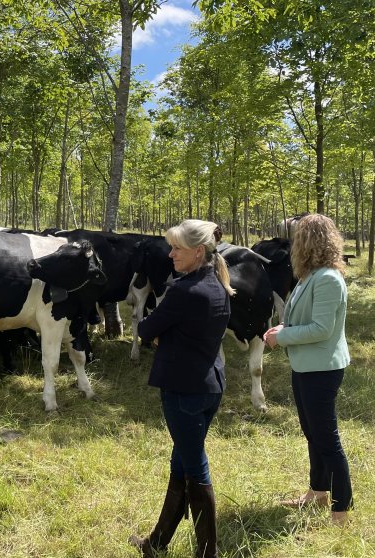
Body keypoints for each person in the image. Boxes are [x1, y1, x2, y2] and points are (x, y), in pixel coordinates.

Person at [129, 219, 233, 558]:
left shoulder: (184, 291)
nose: (170, 253)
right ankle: (157, 542)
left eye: (177, 248)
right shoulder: (218, 283)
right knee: (182, 462)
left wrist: (163, 334)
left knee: (195, 467)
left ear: (198, 251)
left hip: (184, 390)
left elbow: (145, 329)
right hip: (209, 384)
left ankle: (208, 554)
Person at [263, 213, 352, 525]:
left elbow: (322, 329)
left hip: (322, 369)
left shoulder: (327, 278)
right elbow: (304, 318)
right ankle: (317, 492)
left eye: (296, 237)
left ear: (307, 242)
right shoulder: (309, 276)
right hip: (306, 365)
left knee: (327, 438)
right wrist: (283, 327)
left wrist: (283, 336)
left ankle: (341, 510)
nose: (292, 243)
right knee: (312, 432)